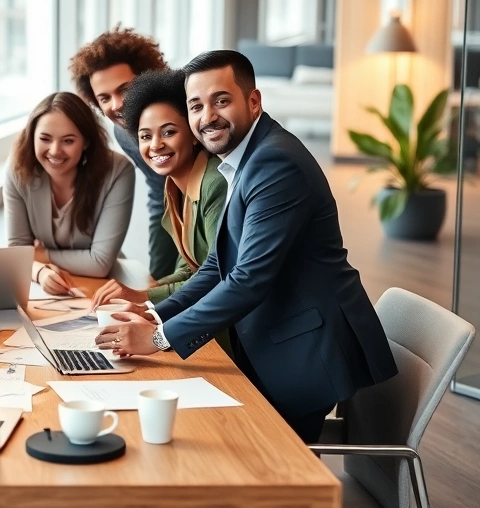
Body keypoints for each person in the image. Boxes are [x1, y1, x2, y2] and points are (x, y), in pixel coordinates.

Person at [95, 50, 398, 442]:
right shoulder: (245, 157)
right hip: (276, 341)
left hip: (307, 355)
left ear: (253, 102)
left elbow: (248, 279)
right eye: (196, 106)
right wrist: (153, 312)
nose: (208, 117)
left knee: (247, 458)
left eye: (221, 101)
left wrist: (158, 338)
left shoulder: (274, 163)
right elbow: (219, 262)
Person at [88, 69, 233, 359]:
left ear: (193, 135)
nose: (155, 145)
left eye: (168, 132)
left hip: (230, 332)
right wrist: (139, 299)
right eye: (145, 136)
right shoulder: (175, 188)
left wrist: (147, 302)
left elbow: (217, 275)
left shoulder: (215, 184)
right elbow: (187, 269)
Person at [69, 26, 177, 280]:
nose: (116, 104)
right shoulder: (124, 135)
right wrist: (158, 277)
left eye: (124, 90)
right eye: (104, 98)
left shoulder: (186, 119)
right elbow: (160, 191)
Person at [4, 92, 135, 295]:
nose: (55, 151)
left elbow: (100, 263)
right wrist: (39, 271)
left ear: (86, 142)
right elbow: (17, 252)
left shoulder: (118, 171)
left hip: (105, 287)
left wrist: (42, 254)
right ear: (32, 138)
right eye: (45, 139)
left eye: (68, 141)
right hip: (49, 287)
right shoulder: (18, 168)